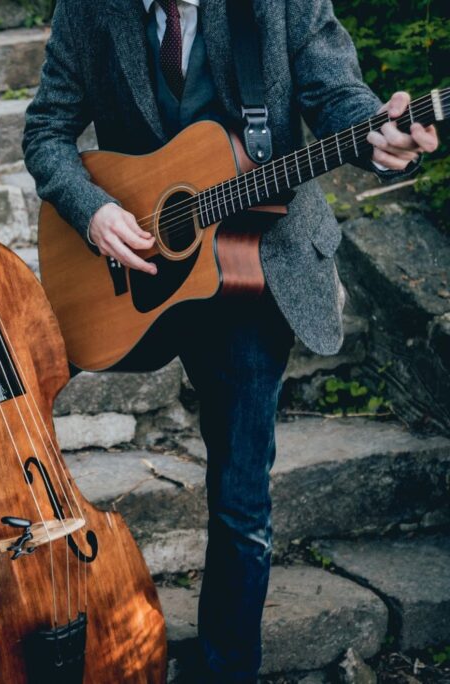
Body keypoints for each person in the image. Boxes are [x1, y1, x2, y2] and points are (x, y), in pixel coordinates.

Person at [22, 1, 439, 681]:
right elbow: (46, 129)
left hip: (257, 266)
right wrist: (92, 209)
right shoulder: (93, 8)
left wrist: (377, 141)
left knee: (242, 497)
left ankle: (227, 669)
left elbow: (337, 96)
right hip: (136, 266)